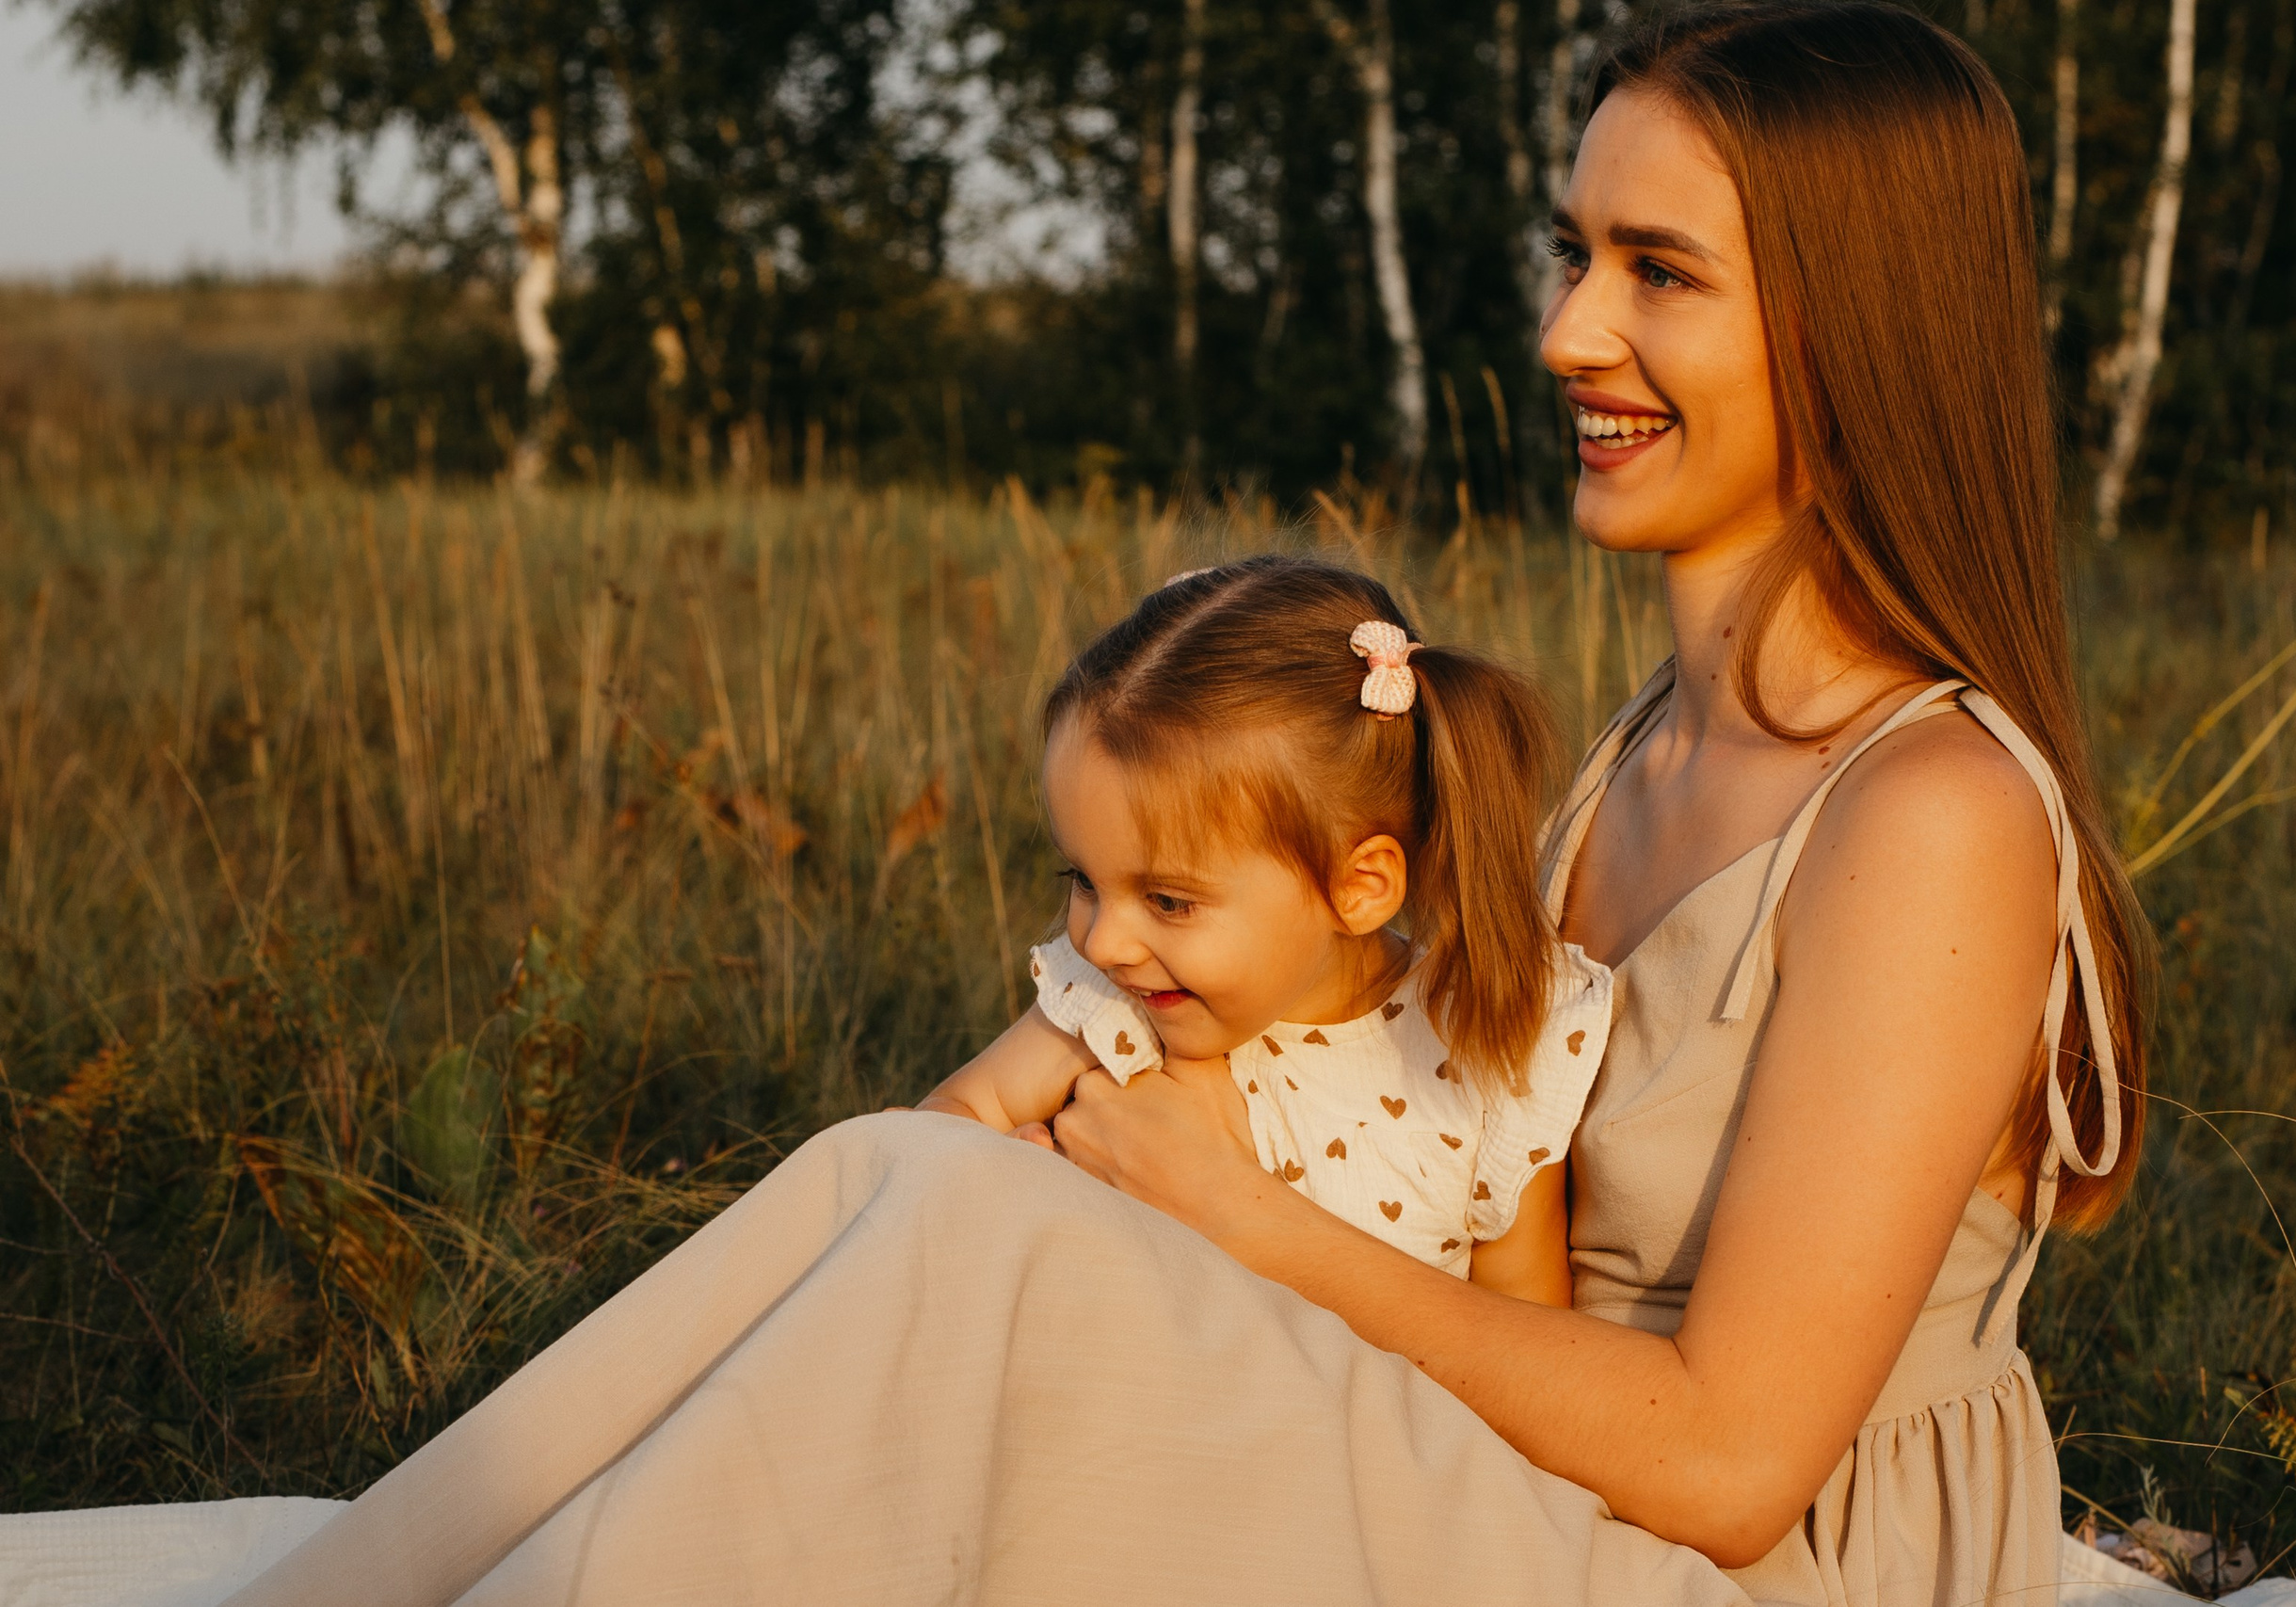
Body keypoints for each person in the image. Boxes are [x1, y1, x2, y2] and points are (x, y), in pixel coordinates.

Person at [220, 4, 2151, 1604]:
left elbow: (1729, 1464)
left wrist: (1234, 1221)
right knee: (918, 1187)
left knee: (973, 1250)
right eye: (1575, 252)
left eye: (1658, 273)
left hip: (1747, 1574)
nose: (1568, 331)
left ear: (1850, 325)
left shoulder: (1928, 815)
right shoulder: (1626, 756)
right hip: (1519, 1481)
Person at [921, 556, 1610, 1300]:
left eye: (1169, 901)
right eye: (1084, 880)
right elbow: (940, 1126)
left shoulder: (1486, 1052)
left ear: (1359, 887)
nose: (1101, 943)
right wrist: (996, 1175)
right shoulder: (1114, 1006)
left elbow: (1515, 1340)